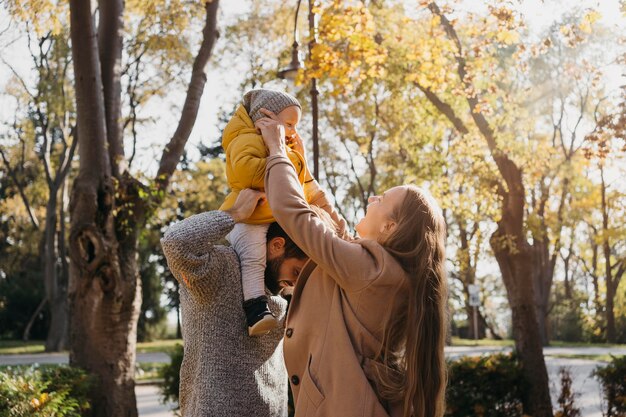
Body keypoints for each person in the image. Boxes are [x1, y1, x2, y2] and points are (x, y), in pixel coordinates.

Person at [256, 108, 449, 417]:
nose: (372, 199)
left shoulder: (370, 271)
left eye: (382, 200)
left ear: (390, 227)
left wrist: (277, 149)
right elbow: (334, 228)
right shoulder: (379, 270)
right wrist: (301, 171)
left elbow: (294, 214)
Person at [160, 189, 307, 417]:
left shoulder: (285, 294)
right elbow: (175, 243)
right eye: (296, 270)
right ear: (276, 246)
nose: (296, 282)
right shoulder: (222, 269)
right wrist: (235, 213)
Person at [219, 88, 318, 336]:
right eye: (288, 124)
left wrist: (293, 157)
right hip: (248, 220)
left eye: (296, 126)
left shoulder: (281, 149)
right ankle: (255, 309)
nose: (293, 131)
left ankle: (289, 302)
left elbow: (298, 186)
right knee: (254, 258)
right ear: (264, 118)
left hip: (266, 218)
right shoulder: (246, 139)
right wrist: (282, 158)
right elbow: (246, 173)